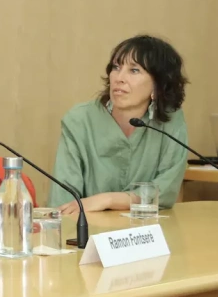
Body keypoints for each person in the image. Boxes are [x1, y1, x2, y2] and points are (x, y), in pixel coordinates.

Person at [48, 35, 189, 214]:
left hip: (146, 228)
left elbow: (166, 192)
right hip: (87, 226)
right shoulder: (79, 120)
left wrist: (109, 200)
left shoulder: (170, 121)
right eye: (116, 67)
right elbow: (63, 200)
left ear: (158, 85)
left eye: (134, 70)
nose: (119, 78)